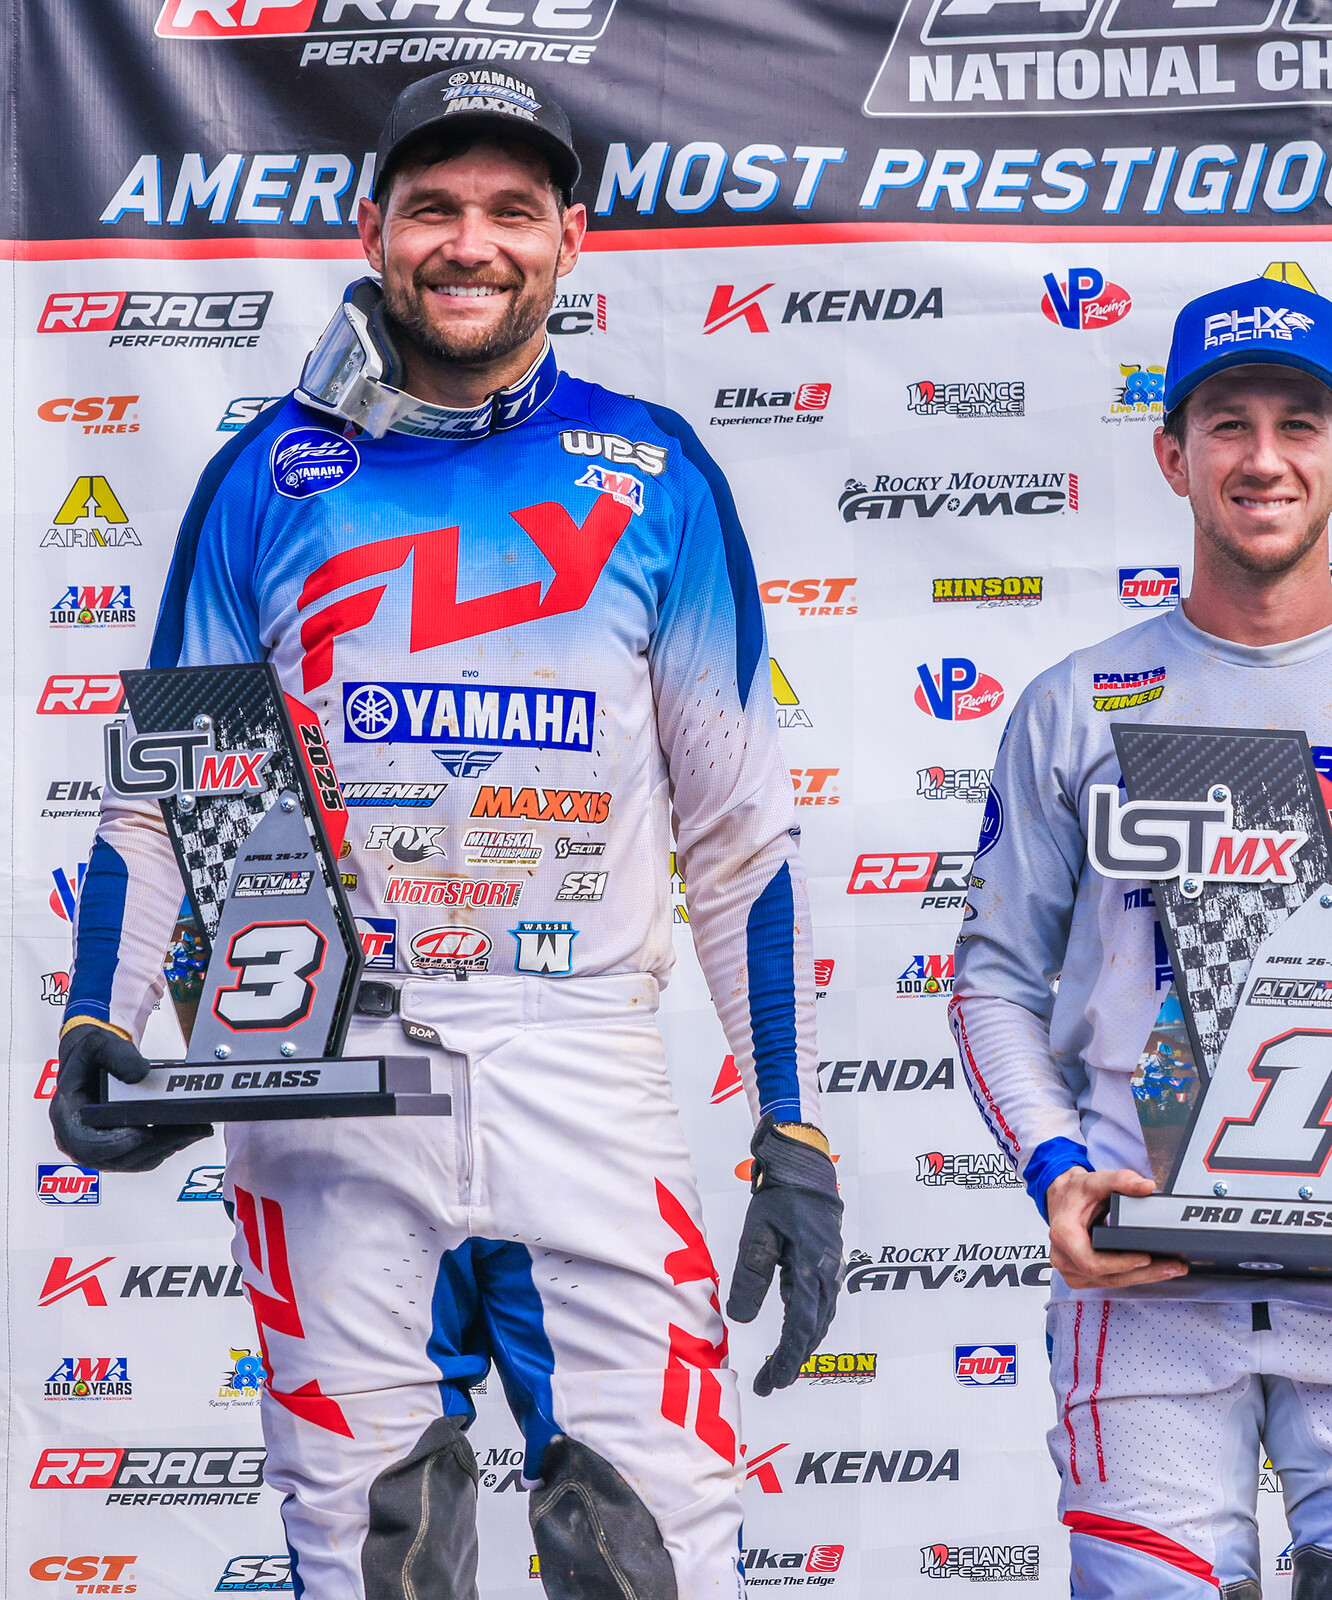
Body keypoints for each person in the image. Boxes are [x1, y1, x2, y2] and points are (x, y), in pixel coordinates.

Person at [51, 68, 839, 1600]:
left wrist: (793, 1122)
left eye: (508, 211)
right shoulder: (262, 477)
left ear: (570, 241)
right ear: (373, 229)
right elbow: (161, 794)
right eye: (433, 208)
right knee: (365, 1559)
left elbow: (740, 838)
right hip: (323, 1073)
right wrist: (100, 1012)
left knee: (656, 1551)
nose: (468, 243)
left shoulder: (659, 470)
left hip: (580, 1065)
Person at [949, 273, 1332, 1600]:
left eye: (1299, 422)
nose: (1263, 458)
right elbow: (993, 984)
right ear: (1173, 452)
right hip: (1145, 1299)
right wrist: (1062, 1176)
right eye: (1227, 423)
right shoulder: (1075, 707)